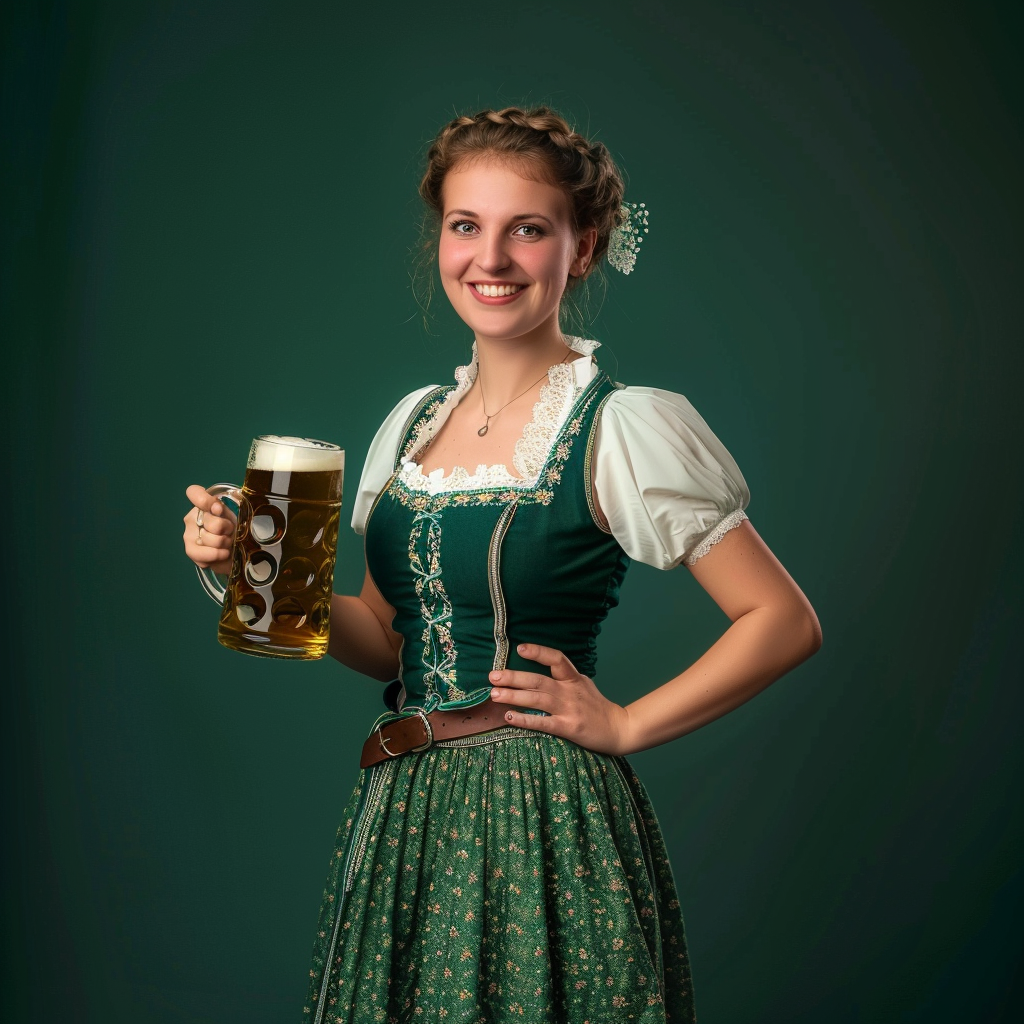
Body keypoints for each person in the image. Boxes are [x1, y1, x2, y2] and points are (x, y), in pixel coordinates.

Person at [183, 105, 821, 1022]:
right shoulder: (408, 423)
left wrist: (629, 723)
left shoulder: (621, 425)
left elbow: (783, 620)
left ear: (584, 246)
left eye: (528, 229)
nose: (491, 259)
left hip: (540, 810)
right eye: (465, 226)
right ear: (440, 238)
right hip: (402, 808)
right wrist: (260, 564)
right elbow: (383, 636)